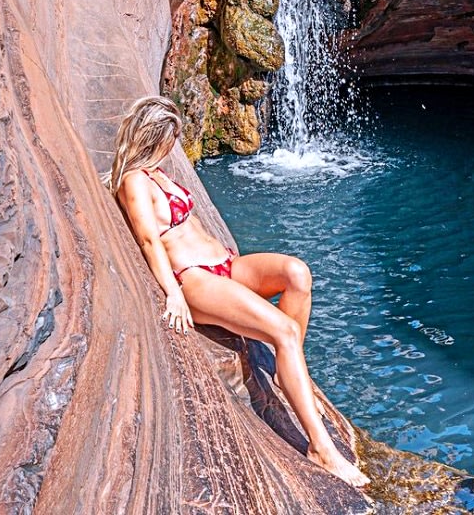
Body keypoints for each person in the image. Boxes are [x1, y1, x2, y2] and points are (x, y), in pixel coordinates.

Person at [106, 96, 369, 489]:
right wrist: (173, 294)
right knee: (283, 331)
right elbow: (148, 240)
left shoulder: (156, 172)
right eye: (168, 137)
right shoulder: (133, 180)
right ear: (150, 137)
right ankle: (321, 448)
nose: (172, 145)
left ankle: (288, 370)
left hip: (226, 263)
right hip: (196, 280)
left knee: (297, 273)